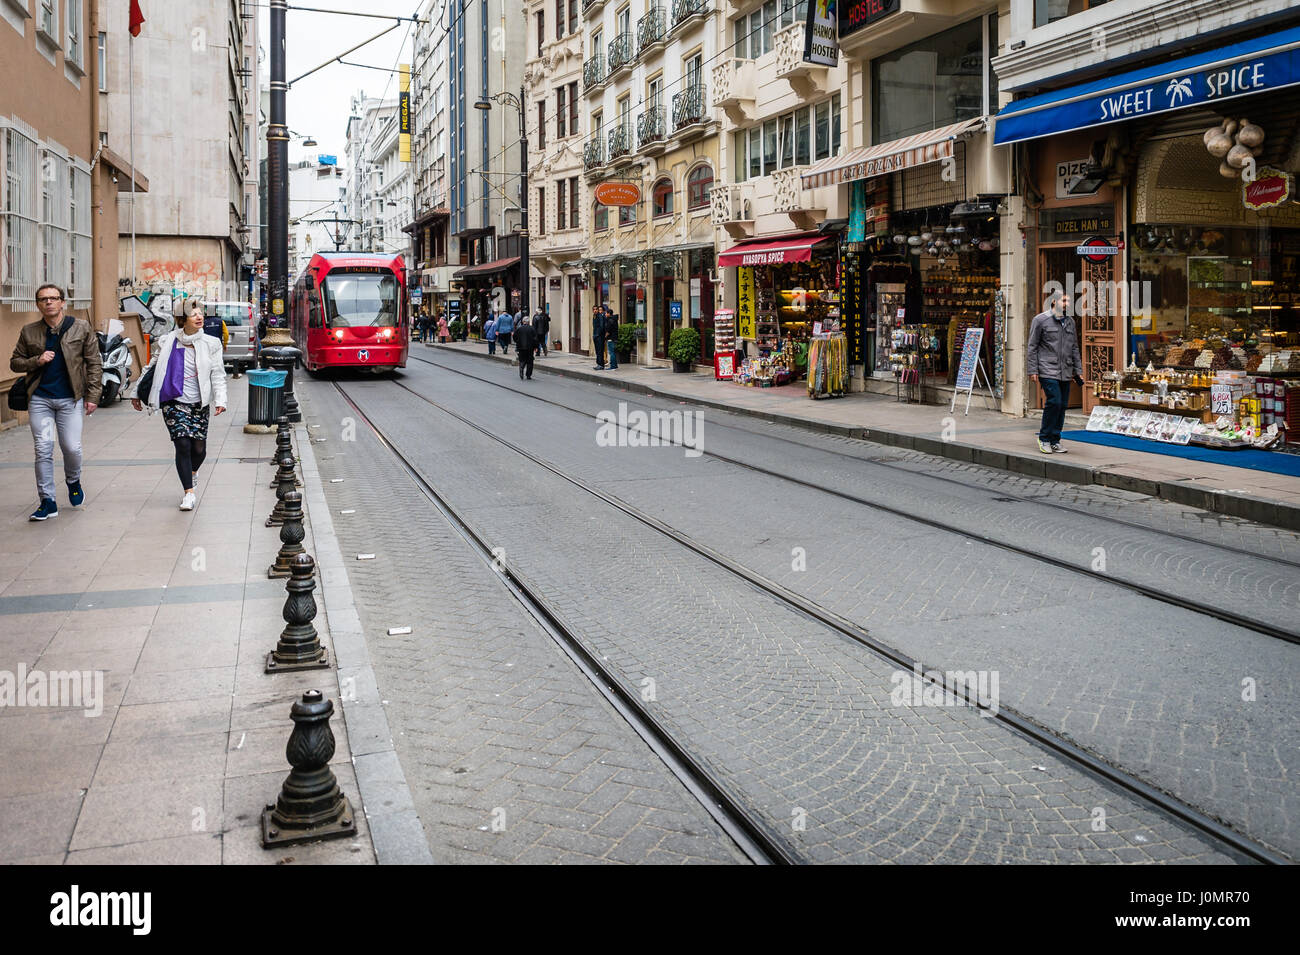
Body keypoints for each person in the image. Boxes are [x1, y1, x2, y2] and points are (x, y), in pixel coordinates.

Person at [9, 283, 102, 521]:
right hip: (41, 400)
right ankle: (47, 501)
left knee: (72, 447)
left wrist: (93, 396)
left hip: (70, 400)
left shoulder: (81, 328)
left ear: (62, 302)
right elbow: (15, 362)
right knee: (43, 449)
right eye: (43, 299)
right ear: (38, 305)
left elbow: (94, 363)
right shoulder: (29, 331)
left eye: (53, 298)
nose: (48, 302)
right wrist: (36, 360)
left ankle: (73, 480)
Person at [130, 298, 228, 510]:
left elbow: (218, 374)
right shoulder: (168, 341)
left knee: (199, 449)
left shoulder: (212, 344)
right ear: (183, 319)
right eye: (194, 314)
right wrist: (136, 391)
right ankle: (188, 493)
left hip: (199, 402)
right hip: (173, 400)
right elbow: (151, 367)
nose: (199, 317)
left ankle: (192, 472)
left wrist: (220, 400)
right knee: (182, 443)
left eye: (200, 313)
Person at [1027, 288, 1084, 454]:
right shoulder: (1040, 320)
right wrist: (1032, 370)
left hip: (1065, 370)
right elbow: (1032, 346)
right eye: (1063, 301)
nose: (1067, 304)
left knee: (1062, 405)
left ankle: (1055, 439)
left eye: (1068, 302)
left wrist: (1077, 370)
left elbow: (1074, 348)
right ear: (1054, 301)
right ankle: (1044, 438)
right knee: (1055, 401)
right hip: (1047, 368)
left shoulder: (1070, 322)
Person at [513, 314, 537, 380]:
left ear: (523, 322)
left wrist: (518, 342)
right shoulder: (532, 328)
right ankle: (528, 375)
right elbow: (535, 339)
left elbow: (514, 337)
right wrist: (536, 347)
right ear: (529, 322)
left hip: (521, 347)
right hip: (530, 348)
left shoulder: (519, 328)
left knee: (522, 360)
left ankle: (521, 369)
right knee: (530, 361)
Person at [592, 304, 607, 370]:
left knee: (600, 350)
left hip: (599, 336)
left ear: (598, 310)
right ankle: (599, 364)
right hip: (595, 336)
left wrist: (598, 334)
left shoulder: (600, 316)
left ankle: (601, 365)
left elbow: (601, 326)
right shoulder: (594, 316)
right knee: (597, 351)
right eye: (594, 309)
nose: (595, 310)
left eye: (596, 309)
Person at [605, 305, 620, 370]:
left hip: (611, 338)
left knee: (611, 352)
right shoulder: (614, 319)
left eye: (606, 313)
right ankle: (615, 365)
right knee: (613, 352)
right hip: (615, 337)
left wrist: (605, 337)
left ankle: (613, 366)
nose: (605, 314)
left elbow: (608, 331)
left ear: (609, 314)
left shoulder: (610, 320)